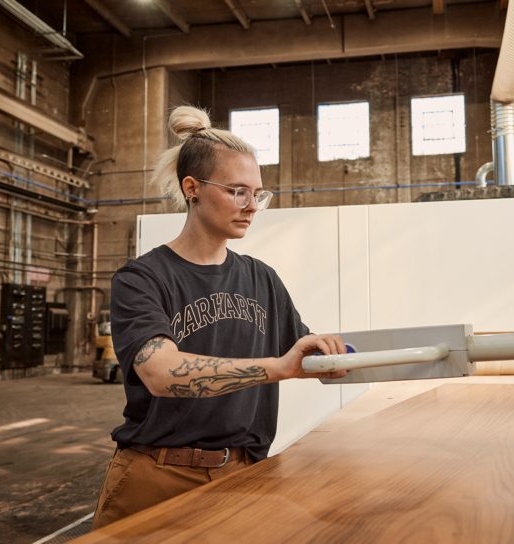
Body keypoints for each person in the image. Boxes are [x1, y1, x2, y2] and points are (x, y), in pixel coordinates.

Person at [91, 106, 348, 529]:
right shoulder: (142, 279)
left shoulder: (261, 279)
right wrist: (279, 368)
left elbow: (306, 355)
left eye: (258, 194)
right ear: (192, 188)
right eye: (237, 191)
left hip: (242, 474)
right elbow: (161, 372)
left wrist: (344, 357)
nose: (251, 206)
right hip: (157, 475)